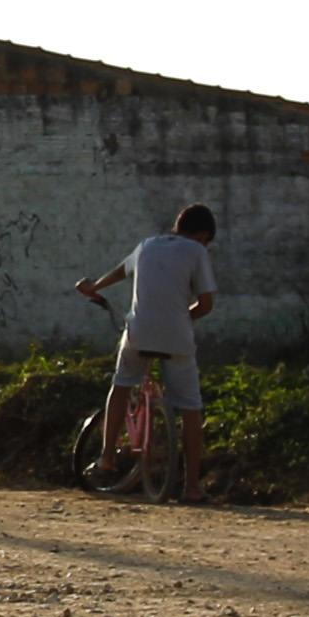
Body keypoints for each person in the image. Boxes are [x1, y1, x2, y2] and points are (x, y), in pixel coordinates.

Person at [74, 204, 221, 503]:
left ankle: (106, 459)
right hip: (177, 337)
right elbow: (206, 306)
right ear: (204, 235)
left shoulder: (147, 246)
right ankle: (192, 488)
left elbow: (121, 270)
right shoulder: (197, 252)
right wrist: (180, 318)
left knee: (122, 384)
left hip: (138, 333)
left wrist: (94, 286)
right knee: (190, 407)